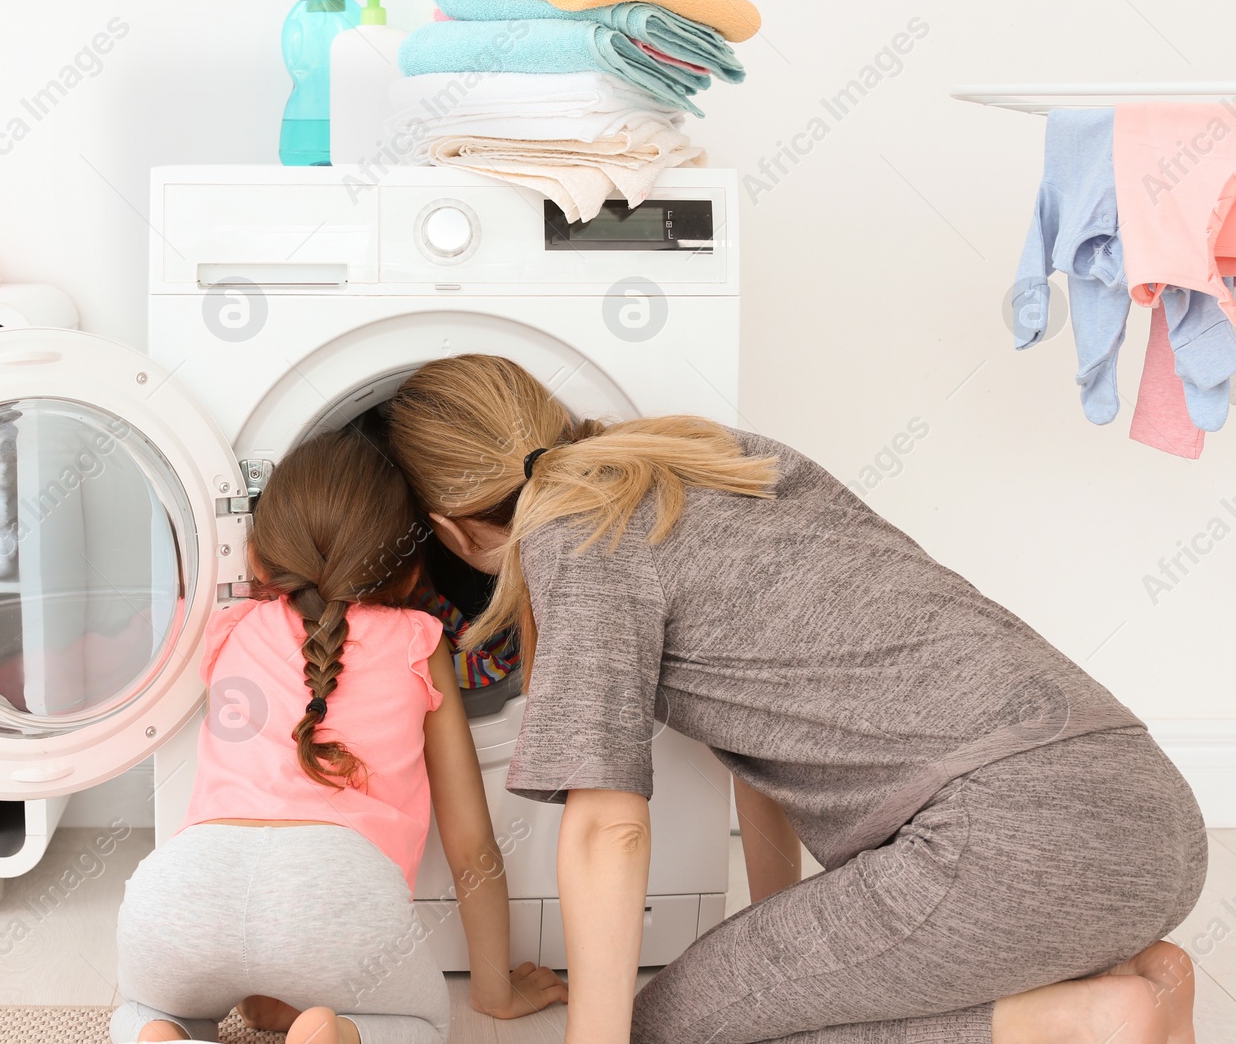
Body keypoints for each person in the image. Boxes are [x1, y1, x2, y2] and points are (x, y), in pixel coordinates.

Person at [382, 354, 1206, 1044]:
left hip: (1004, 846)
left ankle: (1093, 1013)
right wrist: (797, 957)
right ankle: (1135, 977)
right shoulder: (711, 450)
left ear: (449, 530)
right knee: (761, 1004)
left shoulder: (577, 534)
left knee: (674, 1030)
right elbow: (756, 744)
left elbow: (608, 827)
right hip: (1154, 814)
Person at [112, 428, 566, 1044]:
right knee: (421, 1025)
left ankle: (163, 1033)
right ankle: (334, 1034)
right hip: (337, 901)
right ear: (413, 574)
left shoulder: (229, 628)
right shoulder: (419, 642)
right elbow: (471, 848)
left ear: (256, 561)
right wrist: (494, 987)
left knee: (141, 1011)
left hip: (182, 890)